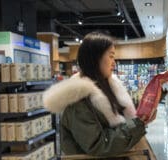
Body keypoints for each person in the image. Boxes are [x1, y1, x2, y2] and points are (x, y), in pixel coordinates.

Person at [43, 31, 157, 159]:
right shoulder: (77, 99)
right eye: (111, 56)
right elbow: (99, 145)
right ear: (95, 58)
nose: (114, 62)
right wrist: (137, 124)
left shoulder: (109, 87)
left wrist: (143, 116)